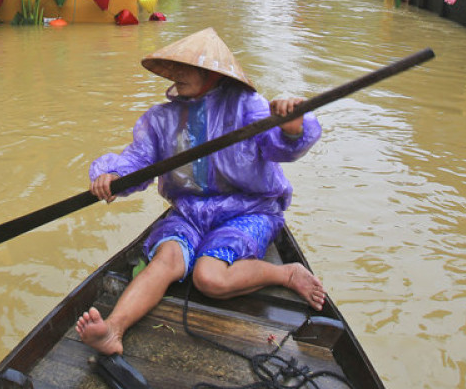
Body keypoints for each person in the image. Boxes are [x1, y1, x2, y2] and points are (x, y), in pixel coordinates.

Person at [75, 27, 325, 357]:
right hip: (189, 212)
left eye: (187, 66)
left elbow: (280, 148)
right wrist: (111, 175)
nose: (177, 73)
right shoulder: (161, 119)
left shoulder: (246, 106)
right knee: (165, 260)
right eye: (175, 66)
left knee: (209, 277)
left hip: (248, 210)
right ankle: (113, 329)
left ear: (212, 74)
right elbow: (138, 161)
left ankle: (287, 273)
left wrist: (292, 129)